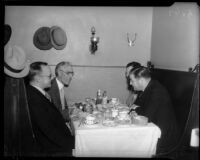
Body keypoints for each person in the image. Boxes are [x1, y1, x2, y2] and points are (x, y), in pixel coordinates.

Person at [26, 61, 74, 156]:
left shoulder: (38, 93)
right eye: (49, 76)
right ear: (38, 79)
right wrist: (72, 143)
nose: (52, 78)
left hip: (57, 141)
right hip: (52, 149)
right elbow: (49, 131)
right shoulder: (34, 98)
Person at [129, 66, 179, 154]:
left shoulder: (157, 91)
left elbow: (146, 117)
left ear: (141, 80)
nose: (130, 83)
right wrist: (135, 110)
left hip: (163, 137)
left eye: (132, 80)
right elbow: (133, 107)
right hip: (152, 128)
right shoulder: (146, 88)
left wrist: (136, 110)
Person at [47, 61, 74, 135]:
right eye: (68, 73)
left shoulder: (59, 85)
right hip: (54, 131)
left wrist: (72, 109)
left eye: (72, 73)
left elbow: (62, 108)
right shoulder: (51, 88)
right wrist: (72, 112)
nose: (71, 76)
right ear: (59, 73)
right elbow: (56, 115)